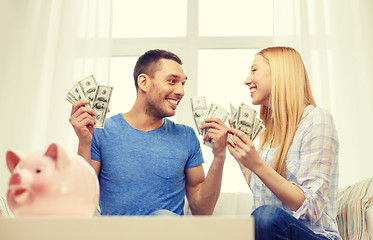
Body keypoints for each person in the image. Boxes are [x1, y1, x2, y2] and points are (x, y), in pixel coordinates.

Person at [69, 49, 228, 216]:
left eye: (183, 83)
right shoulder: (102, 132)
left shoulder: (186, 137)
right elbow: (82, 200)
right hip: (118, 234)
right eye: (172, 81)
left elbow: (203, 211)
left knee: (164, 217)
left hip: (166, 232)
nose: (181, 91)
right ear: (144, 82)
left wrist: (220, 156)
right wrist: (84, 142)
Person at [227, 46, 341, 239]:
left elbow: (310, 207)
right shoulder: (271, 131)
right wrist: (240, 156)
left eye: (254, 70)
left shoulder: (317, 119)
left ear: (280, 73)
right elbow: (265, 192)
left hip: (316, 235)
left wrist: (257, 163)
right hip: (276, 232)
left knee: (265, 216)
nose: (247, 80)